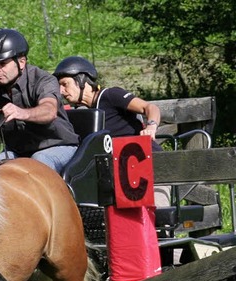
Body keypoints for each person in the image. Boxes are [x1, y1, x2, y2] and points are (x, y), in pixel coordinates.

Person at [53, 55, 170, 205]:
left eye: (65, 84)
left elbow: (149, 107)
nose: (61, 91)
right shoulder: (82, 114)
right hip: (117, 177)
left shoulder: (110, 95)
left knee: (156, 214)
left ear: (82, 80)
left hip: (147, 167)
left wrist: (151, 126)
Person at [0, 28, 80, 173]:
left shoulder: (43, 80)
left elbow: (49, 111)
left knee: (38, 162)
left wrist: (21, 113)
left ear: (21, 62)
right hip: (17, 153)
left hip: (58, 146)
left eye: (2, 64)